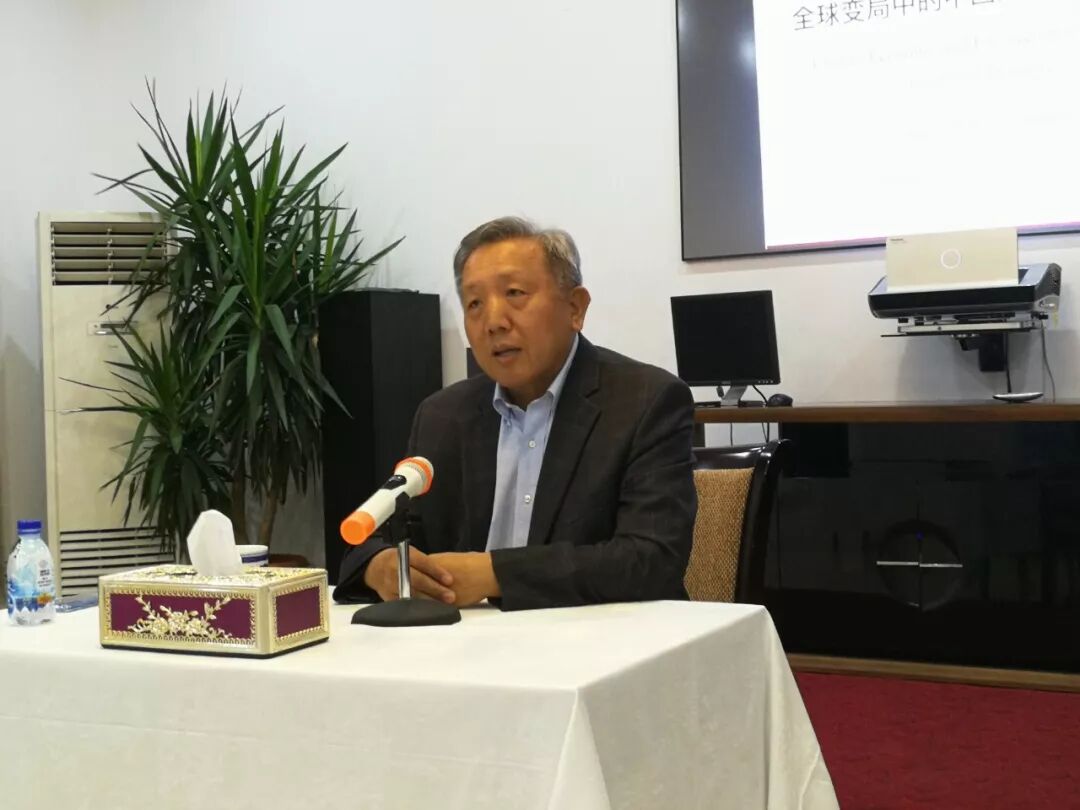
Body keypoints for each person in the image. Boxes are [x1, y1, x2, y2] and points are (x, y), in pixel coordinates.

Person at [334, 217, 696, 611]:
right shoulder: (442, 416)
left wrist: (494, 574)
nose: (493, 322)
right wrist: (378, 566)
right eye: (474, 303)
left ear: (575, 308)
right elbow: (375, 537)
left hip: (602, 637)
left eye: (514, 293)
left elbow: (651, 559)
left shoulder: (645, 401)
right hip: (467, 640)